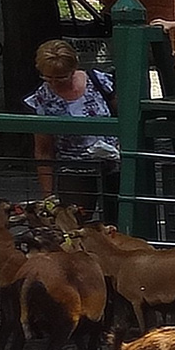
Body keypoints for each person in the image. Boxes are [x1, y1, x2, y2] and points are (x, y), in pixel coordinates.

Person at [25, 39, 120, 222]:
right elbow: (44, 150)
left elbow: (122, 116)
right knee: (75, 224)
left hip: (114, 165)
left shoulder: (98, 80)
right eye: (47, 77)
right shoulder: (41, 99)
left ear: (73, 68)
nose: (54, 83)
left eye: (61, 77)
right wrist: (48, 195)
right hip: (74, 170)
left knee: (118, 221)